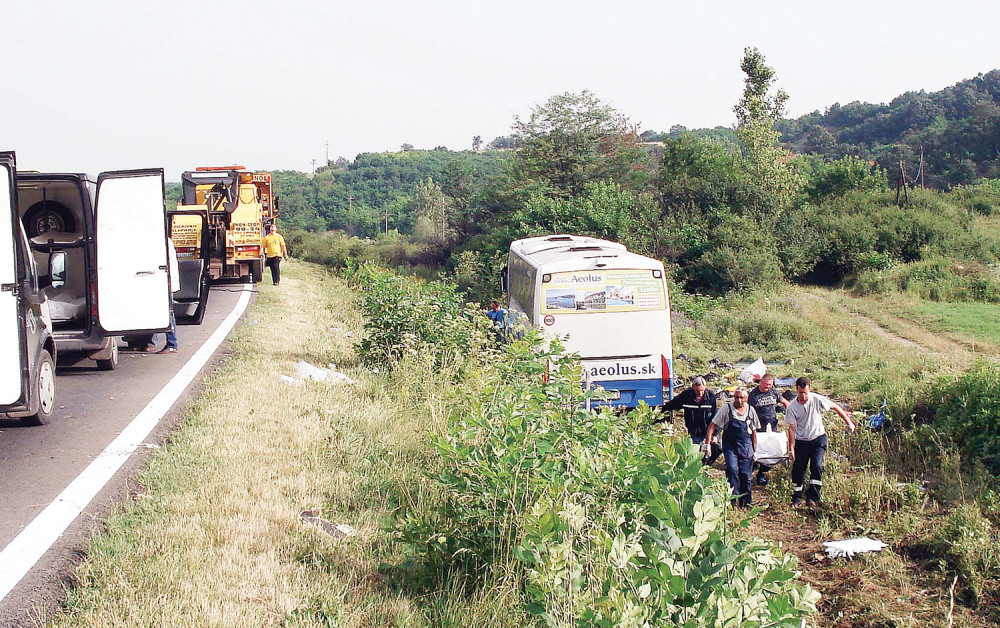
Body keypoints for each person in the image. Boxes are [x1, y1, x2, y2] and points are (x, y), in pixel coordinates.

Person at [785, 376, 856, 507]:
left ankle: (813, 497)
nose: (804, 396)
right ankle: (796, 497)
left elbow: (835, 407)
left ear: (809, 389)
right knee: (798, 469)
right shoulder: (792, 407)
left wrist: (849, 422)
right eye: (801, 393)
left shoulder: (816, 399)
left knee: (816, 465)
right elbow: (792, 429)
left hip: (818, 438)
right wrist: (791, 449)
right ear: (797, 390)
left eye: (806, 393)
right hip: (802, 441)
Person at [705, 387, 760, 508]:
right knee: (732, 470)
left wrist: (755, 451)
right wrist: (707, 444)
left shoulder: (751, 411)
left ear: (746, 398)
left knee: (746, 475)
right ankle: (733, 502)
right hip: (730, 446)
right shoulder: (727, 409)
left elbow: (754, 432)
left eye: (742, 398)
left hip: (746, 446)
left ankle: (746, 503)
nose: (739, 400)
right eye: (736, 397)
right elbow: (712, 425)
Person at [655, 376, 721, 464]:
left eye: (702, 390)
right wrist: (659, 414)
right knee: (695, 453)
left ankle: (708, 463)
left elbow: (715, 416)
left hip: (708, 428)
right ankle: (699, 465)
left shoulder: (711, 396)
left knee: (717, 448)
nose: (700, 393)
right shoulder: (686, 396)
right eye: (697, 391)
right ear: (693, 387)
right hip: (695, 430)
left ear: (705, 387)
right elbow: (672, 404)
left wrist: (715, 434)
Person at [748, 374, 790, 486]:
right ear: (761, 382)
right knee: (757, 451)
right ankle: (750, 473)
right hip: (758, 428)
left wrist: (792, 412)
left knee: (771, 450)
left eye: (770, 385)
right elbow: (749, 411)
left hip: (772, 426)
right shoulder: (753, 394)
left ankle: (762, 473)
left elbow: (784, 401)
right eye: (766, 385)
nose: (768, 387)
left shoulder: (774, 391)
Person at [147, 237, 180, 353]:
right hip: (161, 282)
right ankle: (151, 342)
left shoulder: (162, 241)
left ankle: (172, 343)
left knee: (167, 313)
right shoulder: (163, 239)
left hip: (164, 283)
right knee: (154, 311)